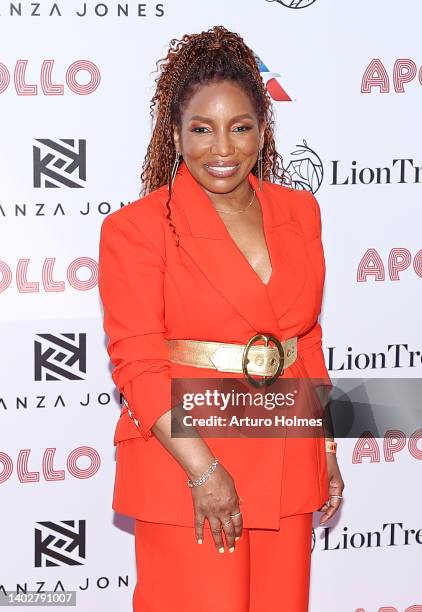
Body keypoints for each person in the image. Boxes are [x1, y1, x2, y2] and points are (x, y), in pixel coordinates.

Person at [98, 24, 345, 612]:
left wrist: (327, 449)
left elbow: (305, 339)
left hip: (285, 453)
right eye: (202, 130)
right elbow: (138, 361)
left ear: (263, 131)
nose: (223, 149)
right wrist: (203, 472)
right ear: (177, 136)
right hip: (186, 455)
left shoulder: (300, 211)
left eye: (240, 128)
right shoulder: (137, 229)